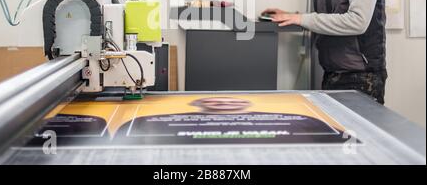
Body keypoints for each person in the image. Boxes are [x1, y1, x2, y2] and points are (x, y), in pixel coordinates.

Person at [114, 96, 352, 145]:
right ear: (199, 103)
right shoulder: (154, 122)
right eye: (218, 102)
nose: (224, 103)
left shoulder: (299, 120)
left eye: (229, 102)